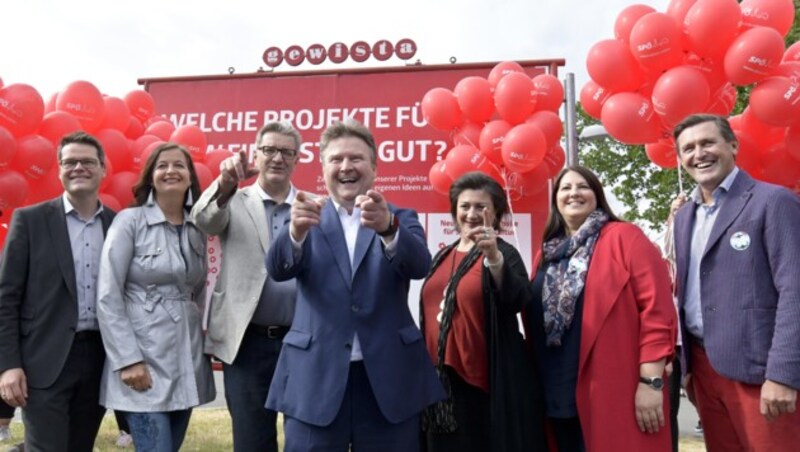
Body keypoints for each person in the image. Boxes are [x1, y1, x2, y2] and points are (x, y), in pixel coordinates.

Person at [266, 119, 445, 451]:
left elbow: (419, 265)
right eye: (336, 159)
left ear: (374, 168)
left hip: (386, 382)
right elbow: (277, 269)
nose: (346, 166)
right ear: (323, 169)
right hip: (315, 379)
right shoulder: (305, 215)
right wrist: (295, 234)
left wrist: (389, 229)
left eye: (356, 158)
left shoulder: (398, 217)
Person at [671, 114, 800, 451]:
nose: (699, 153)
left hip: (761, 374)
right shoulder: (683, 217)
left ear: (732, 145)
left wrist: (783, 373)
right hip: (704, 370)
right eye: (688, 148)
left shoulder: (774, 201)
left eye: (707, 142)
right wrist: (688, 368)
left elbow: (795, 291)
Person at [527, 165, 676, 452]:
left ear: (597, 195)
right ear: (555, 198)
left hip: (615, 387)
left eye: (582, 186)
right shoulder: (546, 253)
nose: (574, 193)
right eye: (565, 188)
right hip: (556, 392)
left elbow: (656, 311)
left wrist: (651, 382)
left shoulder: (624, 237)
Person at [0, 131, 115, 451]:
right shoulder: (29, 221)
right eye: (70, 162)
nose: (79, 167)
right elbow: (5, 299)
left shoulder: (118, 225)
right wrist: (7, 365)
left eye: (88, 161)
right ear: (59, 169)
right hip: (43, 359)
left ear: (103, 168)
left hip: (98, 360)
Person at [97, 143, 215, 451]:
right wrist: (127, 359)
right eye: (162, 165)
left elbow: (198, 292)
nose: (171, 171)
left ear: (191, 177)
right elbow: (108, 295)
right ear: (150, 177)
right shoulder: (129, 221)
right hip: (143, 361)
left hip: (186, 360)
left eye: (179, 165)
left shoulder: (196, 228)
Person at [191, 121, 301, 452]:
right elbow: (204, 220)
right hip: (247, 343)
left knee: (306, 440)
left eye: (286, 151)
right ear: (256, 154)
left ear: (297, 159)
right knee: (252, 442)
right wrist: (225, 184)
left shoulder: (312, 206)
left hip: (301, 342)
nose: (277, 158)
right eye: (269, 150)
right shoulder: (234, 199)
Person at [419, 172, 544, 451]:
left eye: (481, 206)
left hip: (481, 383)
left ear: (495, 212)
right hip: (439, 383)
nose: (471, 213)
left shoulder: (503, 253)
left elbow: (518, 300)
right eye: (465, 206)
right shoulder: (442, 255)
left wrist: (494, 260)